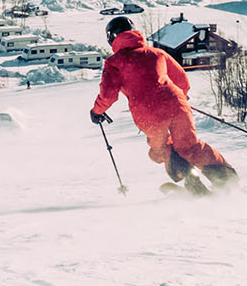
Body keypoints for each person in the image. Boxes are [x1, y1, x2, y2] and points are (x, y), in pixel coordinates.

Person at [90, 15, 236, 195]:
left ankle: (195, 188)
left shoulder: (114, 62)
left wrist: (97, 111)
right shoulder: (157, 53)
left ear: (111, 37)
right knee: (189, 146)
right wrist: (180, 99)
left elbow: (108, 94)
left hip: (149, 113)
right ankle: (229, 183)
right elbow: (181, 79)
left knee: (162, 149)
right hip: (177, 105)